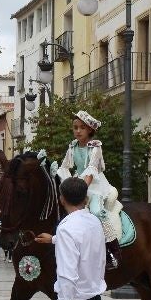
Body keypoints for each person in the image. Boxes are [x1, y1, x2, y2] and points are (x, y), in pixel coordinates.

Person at [56, 111, 122, 271]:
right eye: (75, 128)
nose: (78, 131)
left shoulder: (95, 147)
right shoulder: (72, 146)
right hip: (78, 180)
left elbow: (92, 169)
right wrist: (66, 184)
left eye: (82, 128)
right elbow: (65, 167)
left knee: (96, 211)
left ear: (90, 130)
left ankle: (112, 251)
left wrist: (79, 190)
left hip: (95, 184)